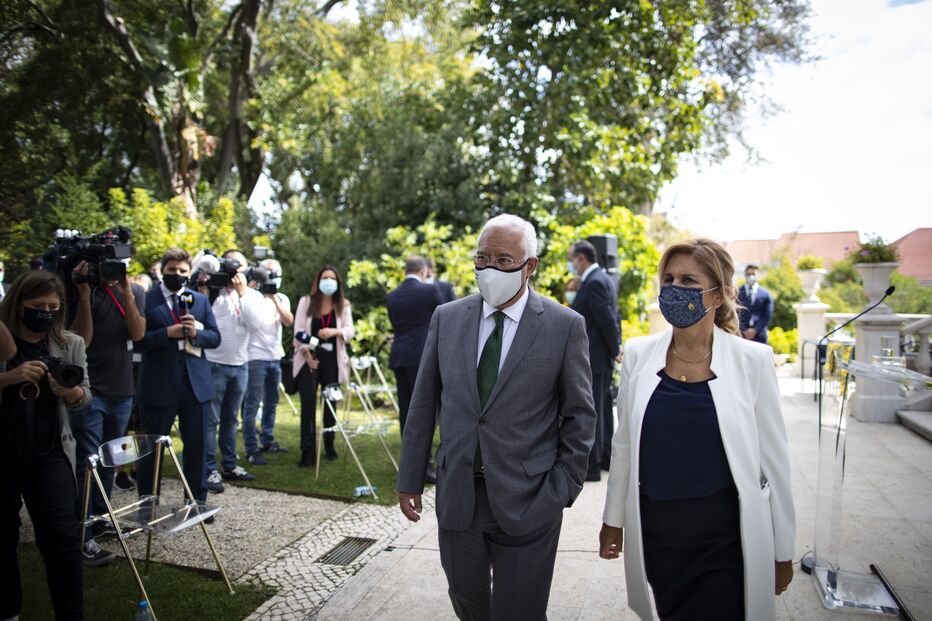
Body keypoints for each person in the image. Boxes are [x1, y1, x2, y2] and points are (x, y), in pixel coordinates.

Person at [397, 214, 596, 620]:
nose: (491, 269)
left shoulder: (564, 326)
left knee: (519, 611)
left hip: (531, 499)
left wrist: (561, 488)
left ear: (531, 265)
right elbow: (422, 405)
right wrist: (409, 478)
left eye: (504, 260)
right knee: (468, 602)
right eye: (482, 258)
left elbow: (580, 417)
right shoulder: (447, 318)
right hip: (459, 498)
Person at [599, 239, 795, 621]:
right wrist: (613, 520)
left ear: (720, 294)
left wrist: (782, 549)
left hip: (724, 534)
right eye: (668, 278)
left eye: (689, 280)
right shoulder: (638, 355)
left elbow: (775, 461)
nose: (675, 288)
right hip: (658, 533)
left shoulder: (752, 360)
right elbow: (623, 446)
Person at [0, 270, 92, 620]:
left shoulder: (70, 344)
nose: (46, 312)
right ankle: (8, 611)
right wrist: (10, 377)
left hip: (49, 452)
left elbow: (85, 399)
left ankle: (70, 615)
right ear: (19, 303)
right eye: (38, 305)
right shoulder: (2, 338)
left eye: (54, 306)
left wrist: (70, 391)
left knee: (63, 539)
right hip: (4, 451)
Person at [67, 260, 146, 566]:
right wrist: (85, 295)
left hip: (122, 389)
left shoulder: (135, 291)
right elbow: (81, 340)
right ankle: (81, 534)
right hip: (91, 389)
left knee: (111, 459)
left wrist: (126, 291)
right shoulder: (81, 291)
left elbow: (138, 333)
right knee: (87, 461)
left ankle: (100, 517)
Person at [135, 248, 220, 505]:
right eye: (172, 270)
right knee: (154, 447)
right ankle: (148, 502)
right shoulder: (147, 300)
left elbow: (215, 337)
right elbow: (137, 341)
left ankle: (196, 501)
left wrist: (196, 333)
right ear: (163, 270)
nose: (178, 275)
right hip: (159, 383)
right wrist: (166, 334)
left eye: (183, 271)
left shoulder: (200, 300)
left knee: (196, 446)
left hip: (195, 384)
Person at [200, 250, 261, 488]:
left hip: (240, 364)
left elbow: (254, 325)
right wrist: (208, 286)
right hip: (214, 363)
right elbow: (203, 321)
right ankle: (208, 469)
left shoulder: (250, 295)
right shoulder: (213, 292)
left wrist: (242, 292)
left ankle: (229, 463)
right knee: (211, 421)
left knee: (230, 420)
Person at [568, 240, 621, 481]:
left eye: (572, 259)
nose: (571, 264)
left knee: (595, 411)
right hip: (600, 356)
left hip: (596, 356)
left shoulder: (595, 281)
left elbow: (607, 319)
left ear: (581, 259)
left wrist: (614, 349)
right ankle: (606, 457)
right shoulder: (600, 279)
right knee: (602, 410)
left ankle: (593, 465)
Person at [292, 266, 354, 467]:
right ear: (318, 281)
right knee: (308, 404)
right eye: (325, 278)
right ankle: (306, 449)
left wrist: (334, 331)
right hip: (310, 360)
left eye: (332, 278)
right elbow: (298, 331)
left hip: (332, 361)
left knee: (330, 403)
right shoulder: (306, 302)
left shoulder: (342, 305)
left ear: (338, 283)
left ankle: (330, 444)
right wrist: (308, 356)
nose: (328, 281)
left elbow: (349, 331)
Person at [241, 259, 293, 465]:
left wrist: (274, 299)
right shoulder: (251, 297)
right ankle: (251, 448)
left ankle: (267, 440)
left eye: (275, 273)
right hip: (255, 357)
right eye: (268, 273)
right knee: (252, 404)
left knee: (272, 402)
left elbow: (289, 321)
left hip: (274, 356)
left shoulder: (281, 298)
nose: (272, 277)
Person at [387, 256, 441, 436]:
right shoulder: (429, 291)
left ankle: (408, 452)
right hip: (421, 354)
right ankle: (423, 458)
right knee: (424, 406)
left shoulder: (392, 296)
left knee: (405, 406)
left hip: (399, 355)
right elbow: (447, 317)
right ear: (423, 271)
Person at [737, 264, 774, 344]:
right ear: (745, 275)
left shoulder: (765, 294)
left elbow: (767, 315)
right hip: (742, 336)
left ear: (758, 275)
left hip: (760, 336)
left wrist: (755, 330)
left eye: (753, 274)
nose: (751, 276)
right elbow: (734, 313)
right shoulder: (737, 293)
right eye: (748, 274)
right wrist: (744, 330)